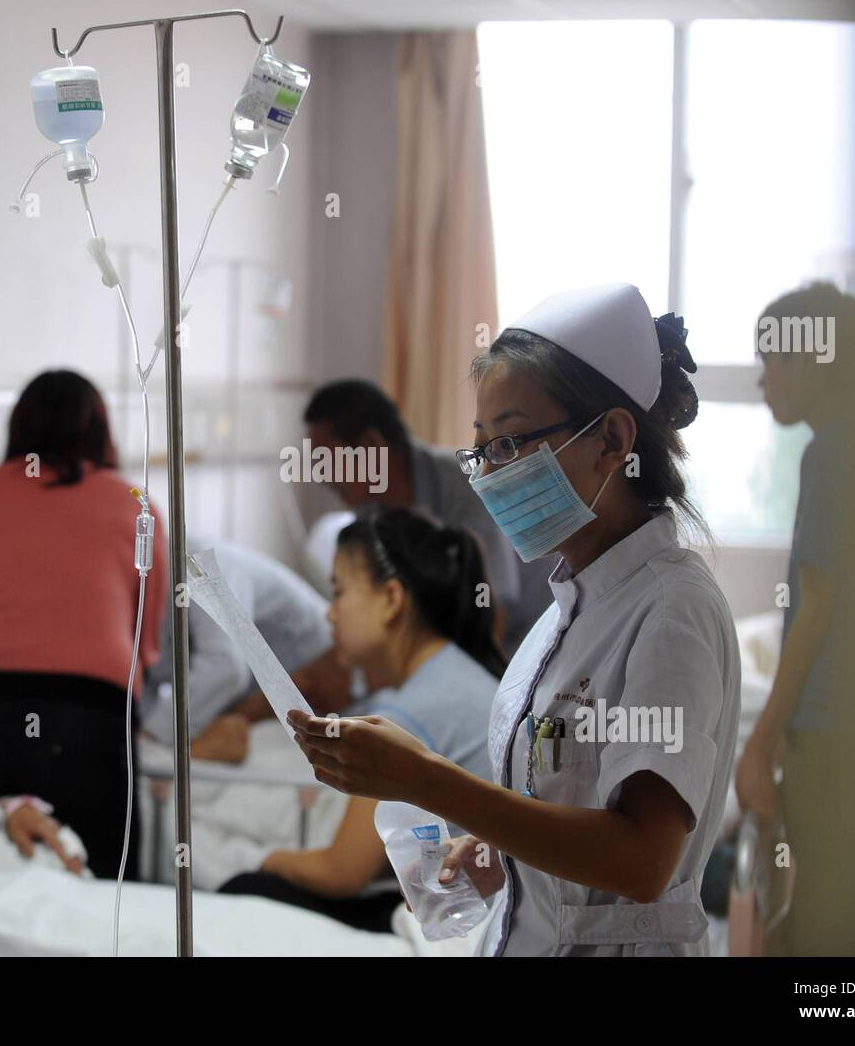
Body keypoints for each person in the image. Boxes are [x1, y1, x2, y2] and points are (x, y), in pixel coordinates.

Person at [290, 283, 741, 956]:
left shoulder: (672, 611)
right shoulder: (566, 615)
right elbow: (573, 814)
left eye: (508, 444)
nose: (489, 475)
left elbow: (641, 861)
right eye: (481, 451)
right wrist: (497, 855)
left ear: (612, 440)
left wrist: (424, 778)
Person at [0, 369, 168, 879]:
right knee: (105, 893)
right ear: (101, 431)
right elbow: (145, 644)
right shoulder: (137, 509)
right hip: (91, 723)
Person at [220, 508, 503, 931]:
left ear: (391, 599)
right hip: (491, 894)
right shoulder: (456, 674)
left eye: (338, 593)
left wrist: (261, 859)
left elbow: (342, 873)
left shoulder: (409, 713)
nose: (329, 614)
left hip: (472, 912)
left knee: (248, 888)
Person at [736, 282, 855, 955]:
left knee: (812, 925)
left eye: (773, 360)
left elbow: (815, 607)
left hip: (835, 730)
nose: (762, 379)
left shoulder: (837, 450)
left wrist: (760, 743)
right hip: (845, 728)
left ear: (815, 359)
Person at [304, 380, 550, 655]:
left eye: (325, 459)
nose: (321, 475)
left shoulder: (466, 488)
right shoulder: (370, 508)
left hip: (524, 647)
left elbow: (490, 610)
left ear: (370, 445)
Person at [141, 535, 333, 762]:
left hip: (330, 685)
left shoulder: (196, 563)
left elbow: (227, 668)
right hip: (265, 706)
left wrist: (151, 738)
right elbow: (149, 678)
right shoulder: (141, 595)